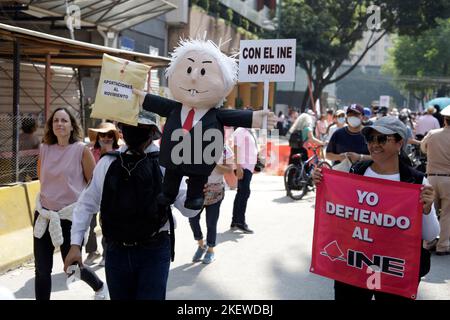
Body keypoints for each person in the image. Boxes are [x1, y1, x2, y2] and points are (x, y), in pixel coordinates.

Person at [64, 110, 200, 300]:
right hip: (116, 251)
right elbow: (86, 205)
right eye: (130, 126)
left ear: (152, 132)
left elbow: (188, 209)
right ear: (122, 131)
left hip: (154, 251)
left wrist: (197, 187)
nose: (135, 131)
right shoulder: (108, 163)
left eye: (141, 127)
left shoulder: (166, 163)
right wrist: (75, 245)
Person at [313, 116, 440, 301]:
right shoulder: (356, 172)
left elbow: (430, 235)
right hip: (353, 268)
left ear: (399, 143)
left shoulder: (416, 182)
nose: (374, 144)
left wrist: (427, 210)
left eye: (381, 139)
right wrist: (321, 182)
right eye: (370, 139)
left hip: (395, 272)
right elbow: (337, 215)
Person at [33, 107, 106, 300]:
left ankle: (99, 287)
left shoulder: (81, 150)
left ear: (72, 126)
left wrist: (89, 213)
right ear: (51, 126)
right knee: (41, 269)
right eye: (56, 120)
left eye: (64, 120)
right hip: (44, 215)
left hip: (70, 217)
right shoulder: (44, 149)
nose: (59, 124)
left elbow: (93, 184)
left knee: (72, 266)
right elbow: (42, 178)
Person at [83, 122, 121, 266]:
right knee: (89, 224)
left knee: (106, 225)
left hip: (111, 196)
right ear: (98, 137)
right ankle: (92, 252)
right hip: (93, 193)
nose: (106, 138)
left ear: (114, 137)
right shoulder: (90, 152)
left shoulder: (120, 153)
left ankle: (107, 254)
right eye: (103, 135)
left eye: (109, 135)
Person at [190, 144, 234, 264]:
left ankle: (210, 250)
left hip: (216, 191)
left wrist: (213, 164)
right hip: (197, 189)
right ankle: (201, 244)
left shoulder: (224, 148)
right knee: (193, 218)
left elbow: (230, 169)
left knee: (211, 222)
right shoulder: (195, 144)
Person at [421, 105, 450, 255]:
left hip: (431, 177)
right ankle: (443, 245)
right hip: (448, 179)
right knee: (446, 213)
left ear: (445, 120)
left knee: (430, 210)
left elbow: (423, 148)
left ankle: (429, 242)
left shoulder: (433, 134)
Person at [229, 127, 259, 234]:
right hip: (243, 167)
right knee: (244, 193)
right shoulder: (241, 130)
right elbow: (236, 148)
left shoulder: (249, 130)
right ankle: (240, 222)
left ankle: (235, 221)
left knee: (241, 193)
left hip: (248, 167)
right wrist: (238, 167)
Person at [19, 117, 41, 181]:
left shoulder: (19, 137)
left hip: (20, 162)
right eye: (36, 125)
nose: (37, 126)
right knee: (35, 178)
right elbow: (37, 153)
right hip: (31, 163)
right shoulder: (35, 138)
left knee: (20, 180)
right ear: (32, 128)